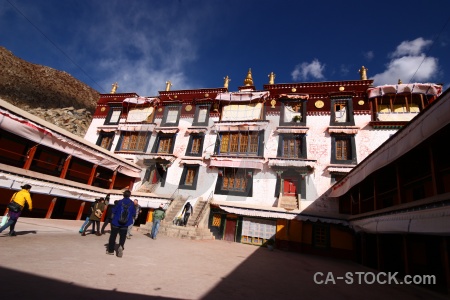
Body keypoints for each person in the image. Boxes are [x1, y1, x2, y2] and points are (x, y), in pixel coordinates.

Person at [107, 190, 136, 257]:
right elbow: (133, 213)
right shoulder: (132, 203)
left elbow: (113, 210)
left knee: (113, 236)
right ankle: (121, 246)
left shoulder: (119, 202)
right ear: (129, 195)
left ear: (123, 195)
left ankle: (111, 250)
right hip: (125, 223)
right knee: (122, 236)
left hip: (116, 222)